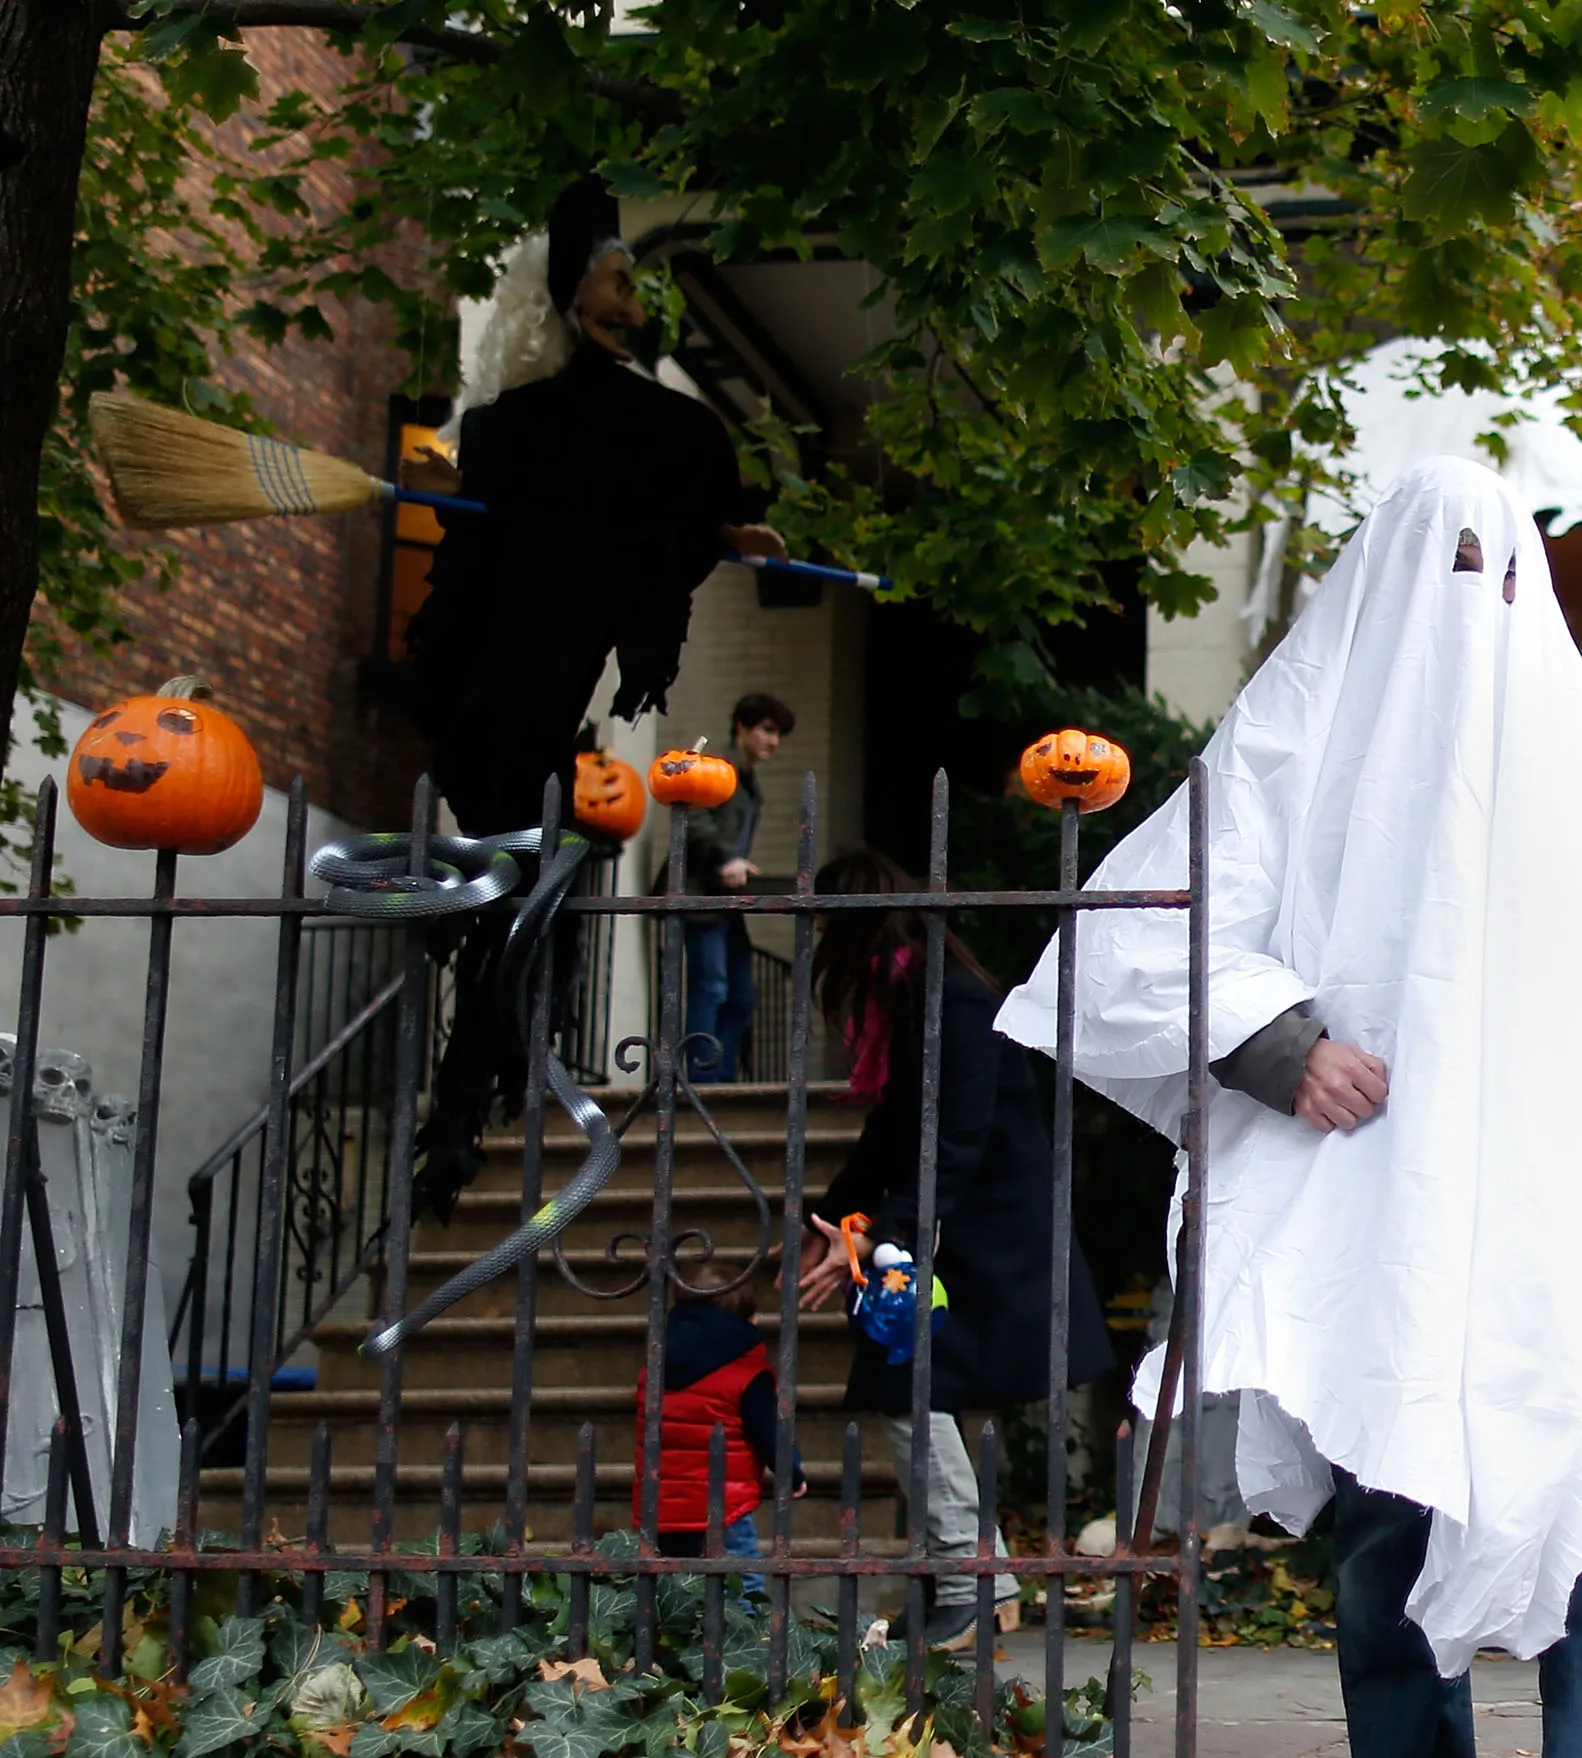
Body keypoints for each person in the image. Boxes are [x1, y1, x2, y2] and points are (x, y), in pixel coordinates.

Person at [997, 458, 1582, 1758]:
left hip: (1553, 1196)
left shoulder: (1565, 760)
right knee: (1384, 1498)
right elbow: (1142, 927)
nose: (1473, 604)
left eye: (1502, 571)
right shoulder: (1304, 736)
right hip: (1376, 1190)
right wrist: (1283, 1045)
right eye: (1448, 568)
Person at [403, 178, 786, 1214]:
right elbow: (479, 567)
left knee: (521, 907)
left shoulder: (647, 427)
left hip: (542, 710)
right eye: (616, 278)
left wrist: (718, 533)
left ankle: (464, 1111)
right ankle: (461, 1111)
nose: (633, 295)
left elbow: (656, 518)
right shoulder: (513, 429)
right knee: (517, 908)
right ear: (571, 294)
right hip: (493, 697)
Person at [797, 851, 1115, 1650]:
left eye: (827, 920)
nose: (818, 938)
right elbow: (894, 1130)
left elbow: (955, 1140)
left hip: (992, 1240)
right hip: (960, 1233)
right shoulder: (915, 999)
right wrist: (831, 1219)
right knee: (902, 1380)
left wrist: (877, 1233)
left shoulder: (955, 1004)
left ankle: (970, 1579)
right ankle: (977, 1578)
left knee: (903, 1381)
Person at [633, 1297, 793, 1604]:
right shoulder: (747, 1374)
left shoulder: (654, 1370)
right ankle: (747, 1637)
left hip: (660, 1504)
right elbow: (769, 1431)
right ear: (747, 1321)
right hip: (724, 1505)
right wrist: (792, 1470)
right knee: (740, 1578)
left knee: (671, 1586)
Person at [672, 693, 792, 1083]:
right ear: (742, 726)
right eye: (766, 730)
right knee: (712, 987)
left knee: (741, 994)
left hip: (724, 899)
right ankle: (700, 1081)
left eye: (778, 734)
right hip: (701, 895)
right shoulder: (717, 768)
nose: (773, 741)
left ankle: (718, 1078)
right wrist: (726, 858)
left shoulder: (745, 778)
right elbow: (693, 819)